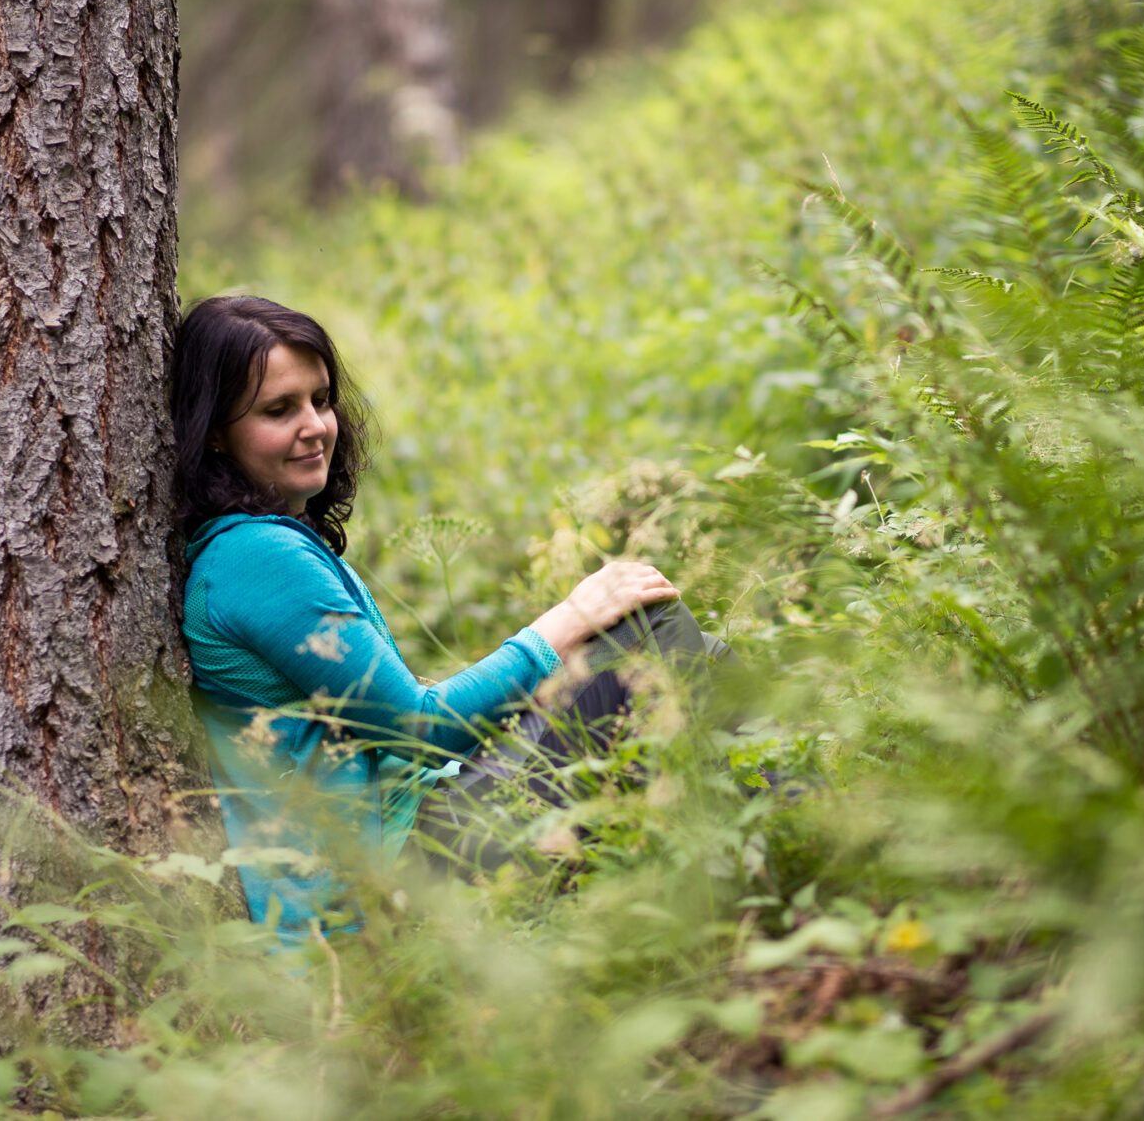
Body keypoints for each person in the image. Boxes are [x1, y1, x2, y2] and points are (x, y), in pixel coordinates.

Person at [170, 295, 729, 937]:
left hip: (404, 840)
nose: (315, 426)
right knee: (652, 629)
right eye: (278, 410)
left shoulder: (255, 544)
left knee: (703, 657)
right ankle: (736, 884)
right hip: (390, 885)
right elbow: (416, 727)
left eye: (321, 400)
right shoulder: (256, 557)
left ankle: (731, 867)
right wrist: (567, 620)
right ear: (215, 430)